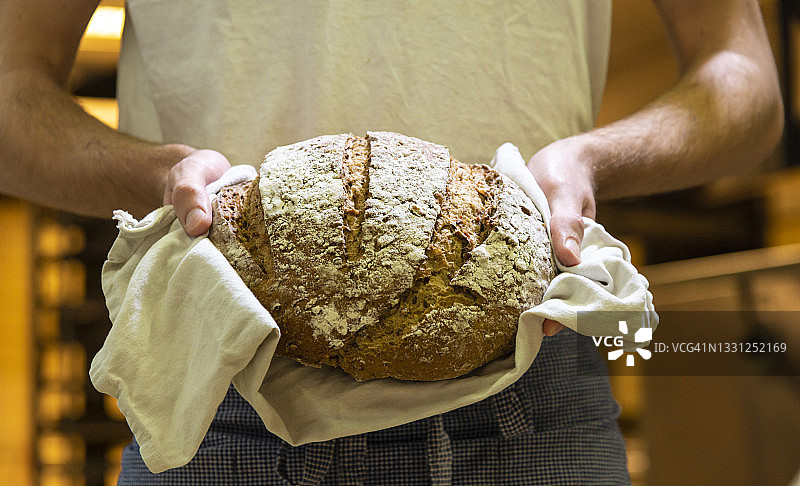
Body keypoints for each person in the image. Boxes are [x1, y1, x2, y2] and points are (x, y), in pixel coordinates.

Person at [0, 0, 783, 484]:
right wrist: (159, 173)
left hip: (533, 402)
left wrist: (589, 160)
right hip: (216, 400)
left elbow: (744, 82)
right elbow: (11, 100)